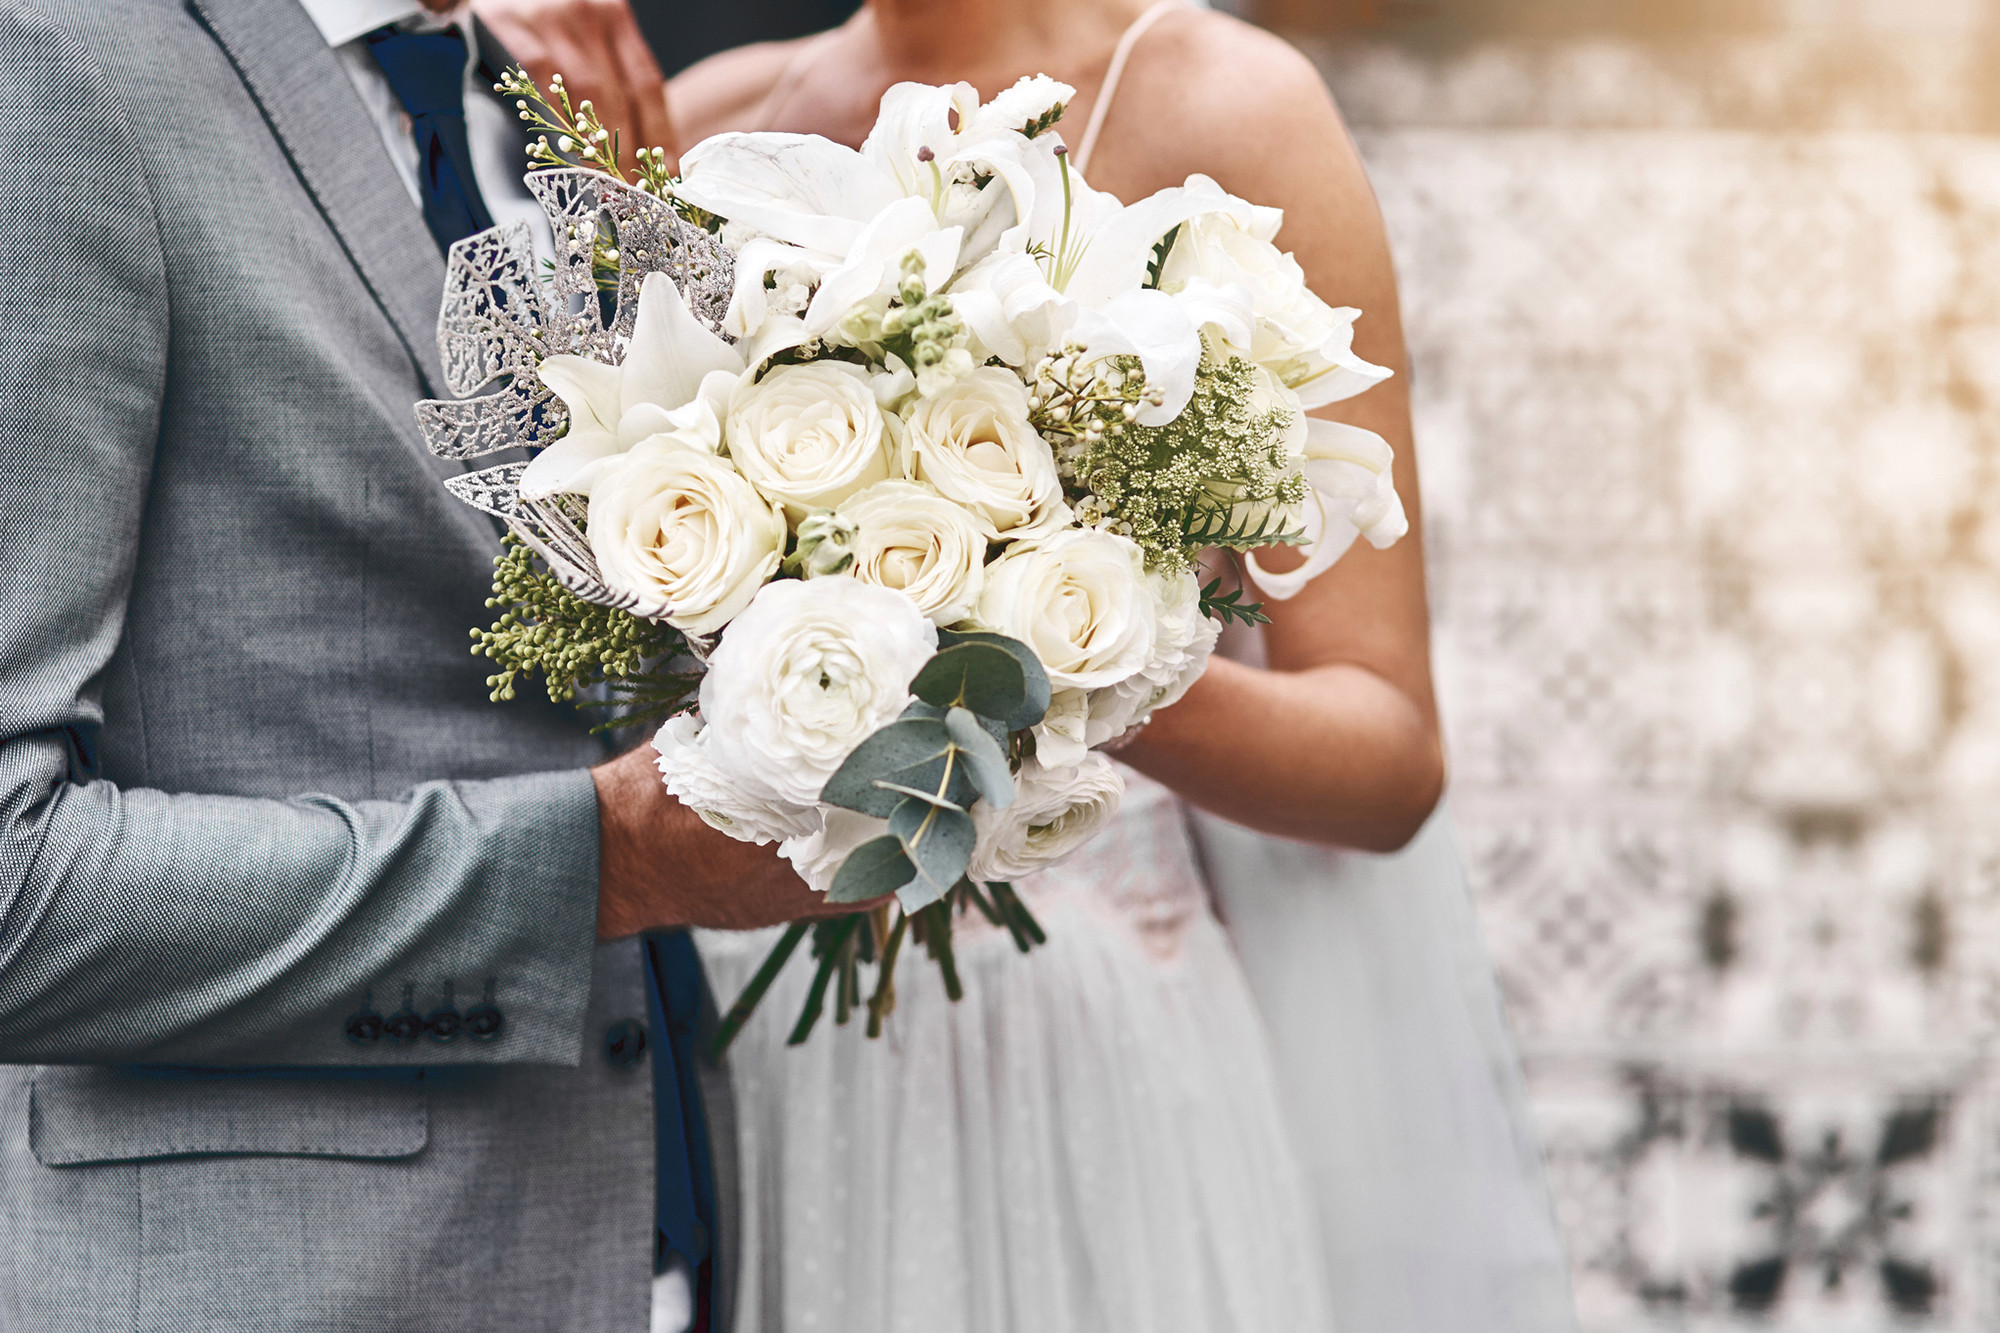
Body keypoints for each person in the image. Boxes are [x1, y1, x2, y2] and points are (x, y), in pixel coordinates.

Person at [483, 0, 1577, 1328]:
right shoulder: (717, 126)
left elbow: (1387, 752)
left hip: (1090, 1056)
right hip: (763, 1053)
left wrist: (1044, 646)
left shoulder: (1225, 105)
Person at [0, 2, 844, 1330]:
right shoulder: (60, 63)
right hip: (280, 1279)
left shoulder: (546, 88)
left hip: (650, 1224)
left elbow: (591, 664)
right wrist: (603, 861)